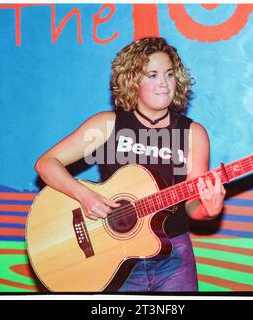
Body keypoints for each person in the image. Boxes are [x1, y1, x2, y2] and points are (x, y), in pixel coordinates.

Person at [35, 37, 226, 292]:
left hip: (173, 257)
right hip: (111, 257)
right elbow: (46, 164)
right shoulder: (106, 125)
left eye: (169, 75)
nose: (164, 84)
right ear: (132, 80)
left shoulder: (193, 134)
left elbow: (192, 203)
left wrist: (209, 210)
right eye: (152, 75)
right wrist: (85, 196)